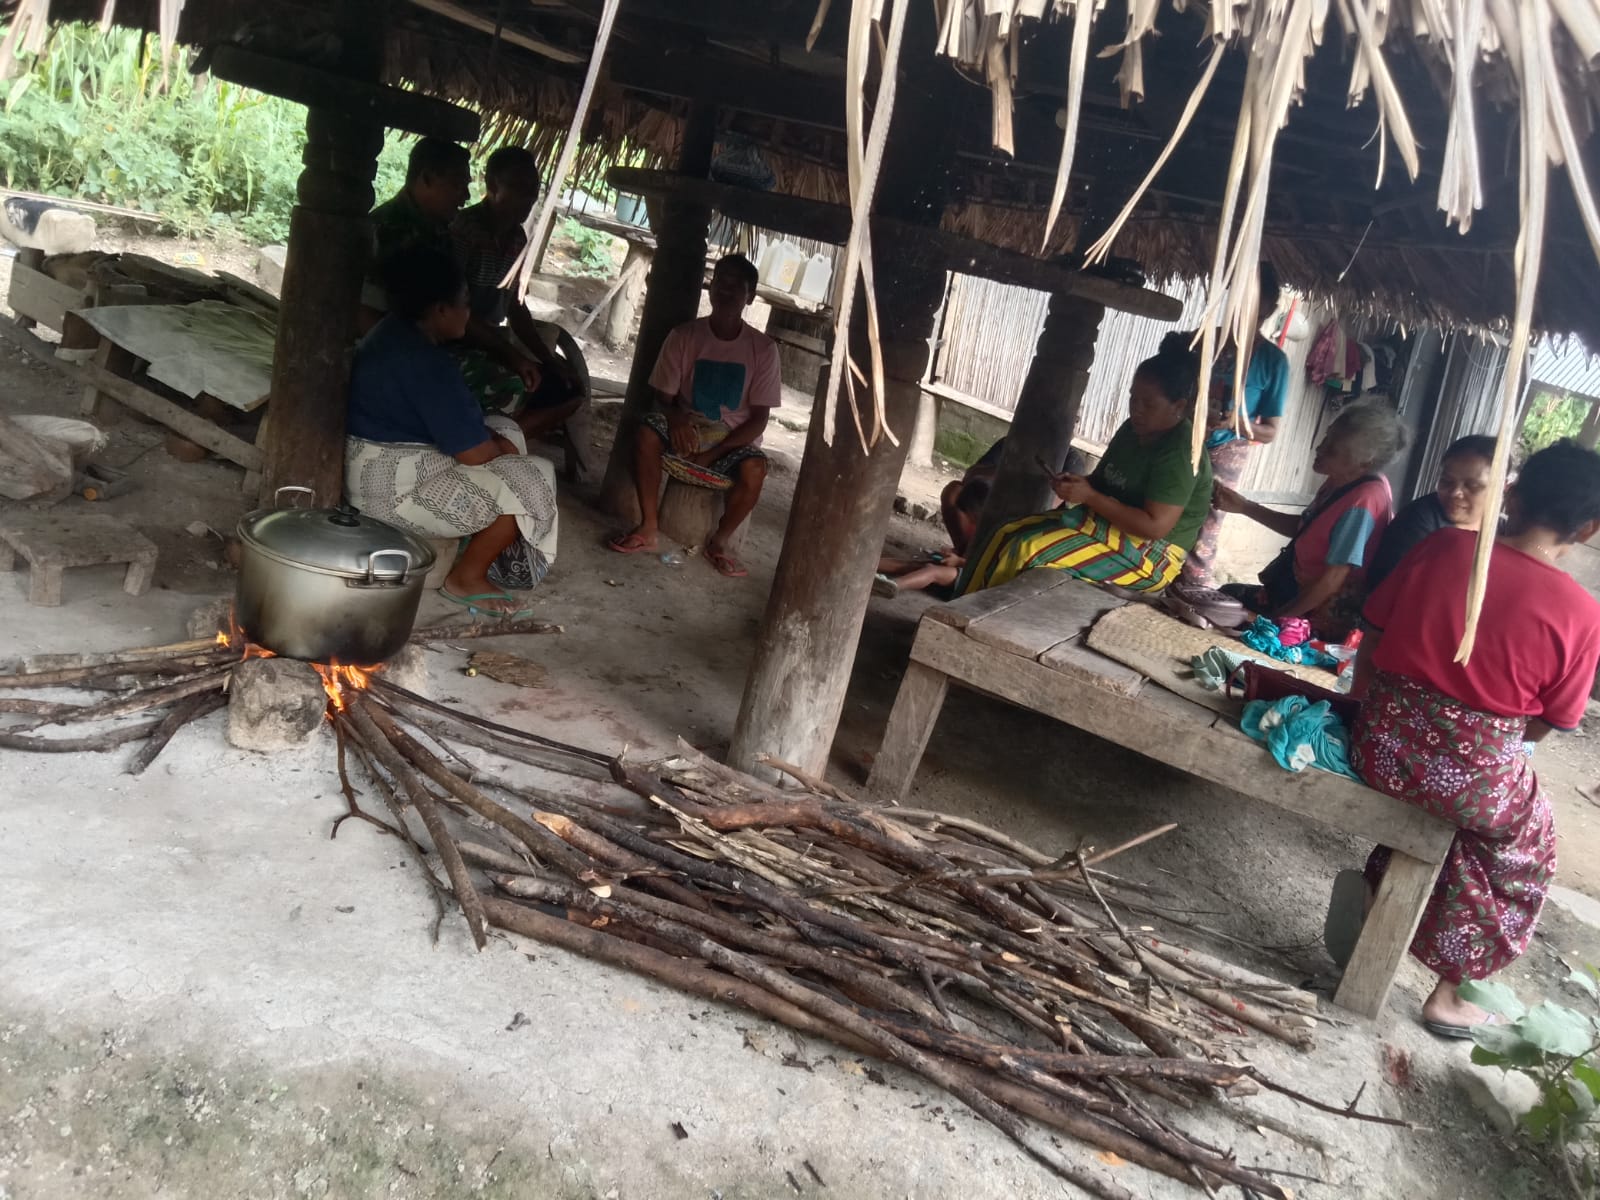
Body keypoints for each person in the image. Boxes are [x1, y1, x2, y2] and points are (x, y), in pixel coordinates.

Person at [1331, 441, 1600, 1036]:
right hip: (1470, 780)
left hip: (1378, 747)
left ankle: (1376, 904)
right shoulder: (1584, 614)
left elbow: (1372, 634)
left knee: (1466, 815)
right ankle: (1448, 994)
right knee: (1524, 845)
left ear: (1513, 496)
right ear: (1588, 529)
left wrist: (1374, 709)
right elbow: (1549, 723)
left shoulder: (1444, 547)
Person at [344, 245, 560, 619]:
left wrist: (498, 441)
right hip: (391, 494)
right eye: (465, 303)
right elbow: (475, 454)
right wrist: (503, 451)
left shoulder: (393, 332)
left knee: (506, 429)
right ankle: (466, 578)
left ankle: (478, 542)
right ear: (441, 310)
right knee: (531, 477)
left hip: (369, 470)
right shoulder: (426, 365)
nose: (469, 313)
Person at [958, 342, 1212, 596]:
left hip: (1151, 554)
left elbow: (1154, 528)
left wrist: (1089, 496)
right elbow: (1101, 483)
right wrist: (1077, 484)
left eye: (1148, 403)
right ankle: (961, 601)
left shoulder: (1181, 450)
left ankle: (982, 614)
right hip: (1108, 527)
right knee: (1006, 532)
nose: (1136, 409)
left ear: (1179, 406)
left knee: (1028, 549)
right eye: (1133, 398)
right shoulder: (1131, 430)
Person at [608, 254, 781, 578]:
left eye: (736, 286)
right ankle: (648, 527)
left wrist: (713, 454)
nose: (725, 291)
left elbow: (759, 419)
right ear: (710, 288)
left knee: (755, 469)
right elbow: (663, 398)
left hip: (731, 440)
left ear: (750, 296)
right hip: (689, 428)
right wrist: (676, 419)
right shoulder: (684, 337)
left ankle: (719, 542)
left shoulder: (763, 349)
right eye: (720, 282)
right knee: (646, 433)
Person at [1214, 402, 1406, 639]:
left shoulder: (1363, 501)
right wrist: (1245, 507)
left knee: (1225, 608)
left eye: (1332, 449)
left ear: (1364, 462)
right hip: (1295, 591)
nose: (1320, 448)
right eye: (1326, 438)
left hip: (1319, 614)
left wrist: (1273, 623)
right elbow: (1306, 529)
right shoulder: (1343, 478)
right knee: (1223, 600)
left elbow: (1331, 581)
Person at [448, 146, 588, 450]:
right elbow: (454, 311)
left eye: (534, 190)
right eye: (520, 188)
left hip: (489, 345)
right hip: (453, 345)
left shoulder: (517, 239)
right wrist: (513, 356)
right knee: (516, 386)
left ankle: (498, 443)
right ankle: (483, 446)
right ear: (492, 185)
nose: (529, 198)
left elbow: (515, 306)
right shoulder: (464, 230)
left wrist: (548, 359)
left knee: (566, 387)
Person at [1181, 263, 1292, 588]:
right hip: (1184, 435)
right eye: (1240, 299)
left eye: (1255, 304)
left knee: (1208, 517)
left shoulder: (1273, 361)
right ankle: (1145, 568)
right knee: (1164, 498)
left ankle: (1190, 586)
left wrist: (1235, 423)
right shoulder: (1202, 340)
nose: (1244, 309)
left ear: (1269, 309)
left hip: (1228, 446)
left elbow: (1270, 431)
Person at [1363, 435, 1498, 593]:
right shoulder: (1416, 522)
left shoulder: (1502, 529)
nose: (1455, 493)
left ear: (1501, 488)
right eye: (1447, 481)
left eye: (1472, 486)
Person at [362, 137, 472, 321]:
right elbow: (366, 313)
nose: (467, 195)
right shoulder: (385, 229)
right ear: (427, 178)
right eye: (457, 184)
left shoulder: (441, 231)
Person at [875, 478, 992, 600]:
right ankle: (871, 564)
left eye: (967, 514)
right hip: (962, 570)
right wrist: (953, 554)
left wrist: (959, 562)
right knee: (914, 564)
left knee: (932, 571)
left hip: (974, 580)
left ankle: (892, 586)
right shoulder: (977, 530)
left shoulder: (993, 535)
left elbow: (988, 568)